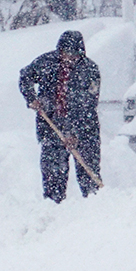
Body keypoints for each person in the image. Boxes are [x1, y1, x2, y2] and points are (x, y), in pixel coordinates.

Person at [19, 30, 102, 202]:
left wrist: (74, 133)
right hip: (51, 127)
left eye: (74, 56)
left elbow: (87, 105)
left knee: (89, 176)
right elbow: (25, 76)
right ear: (60, 51)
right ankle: (54, 209)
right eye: (66, 54)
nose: (69, 59)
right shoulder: (46, 63)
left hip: (84, 132)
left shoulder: (90, 71)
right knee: (53, 176)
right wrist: (32, 98)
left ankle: (96, 210)